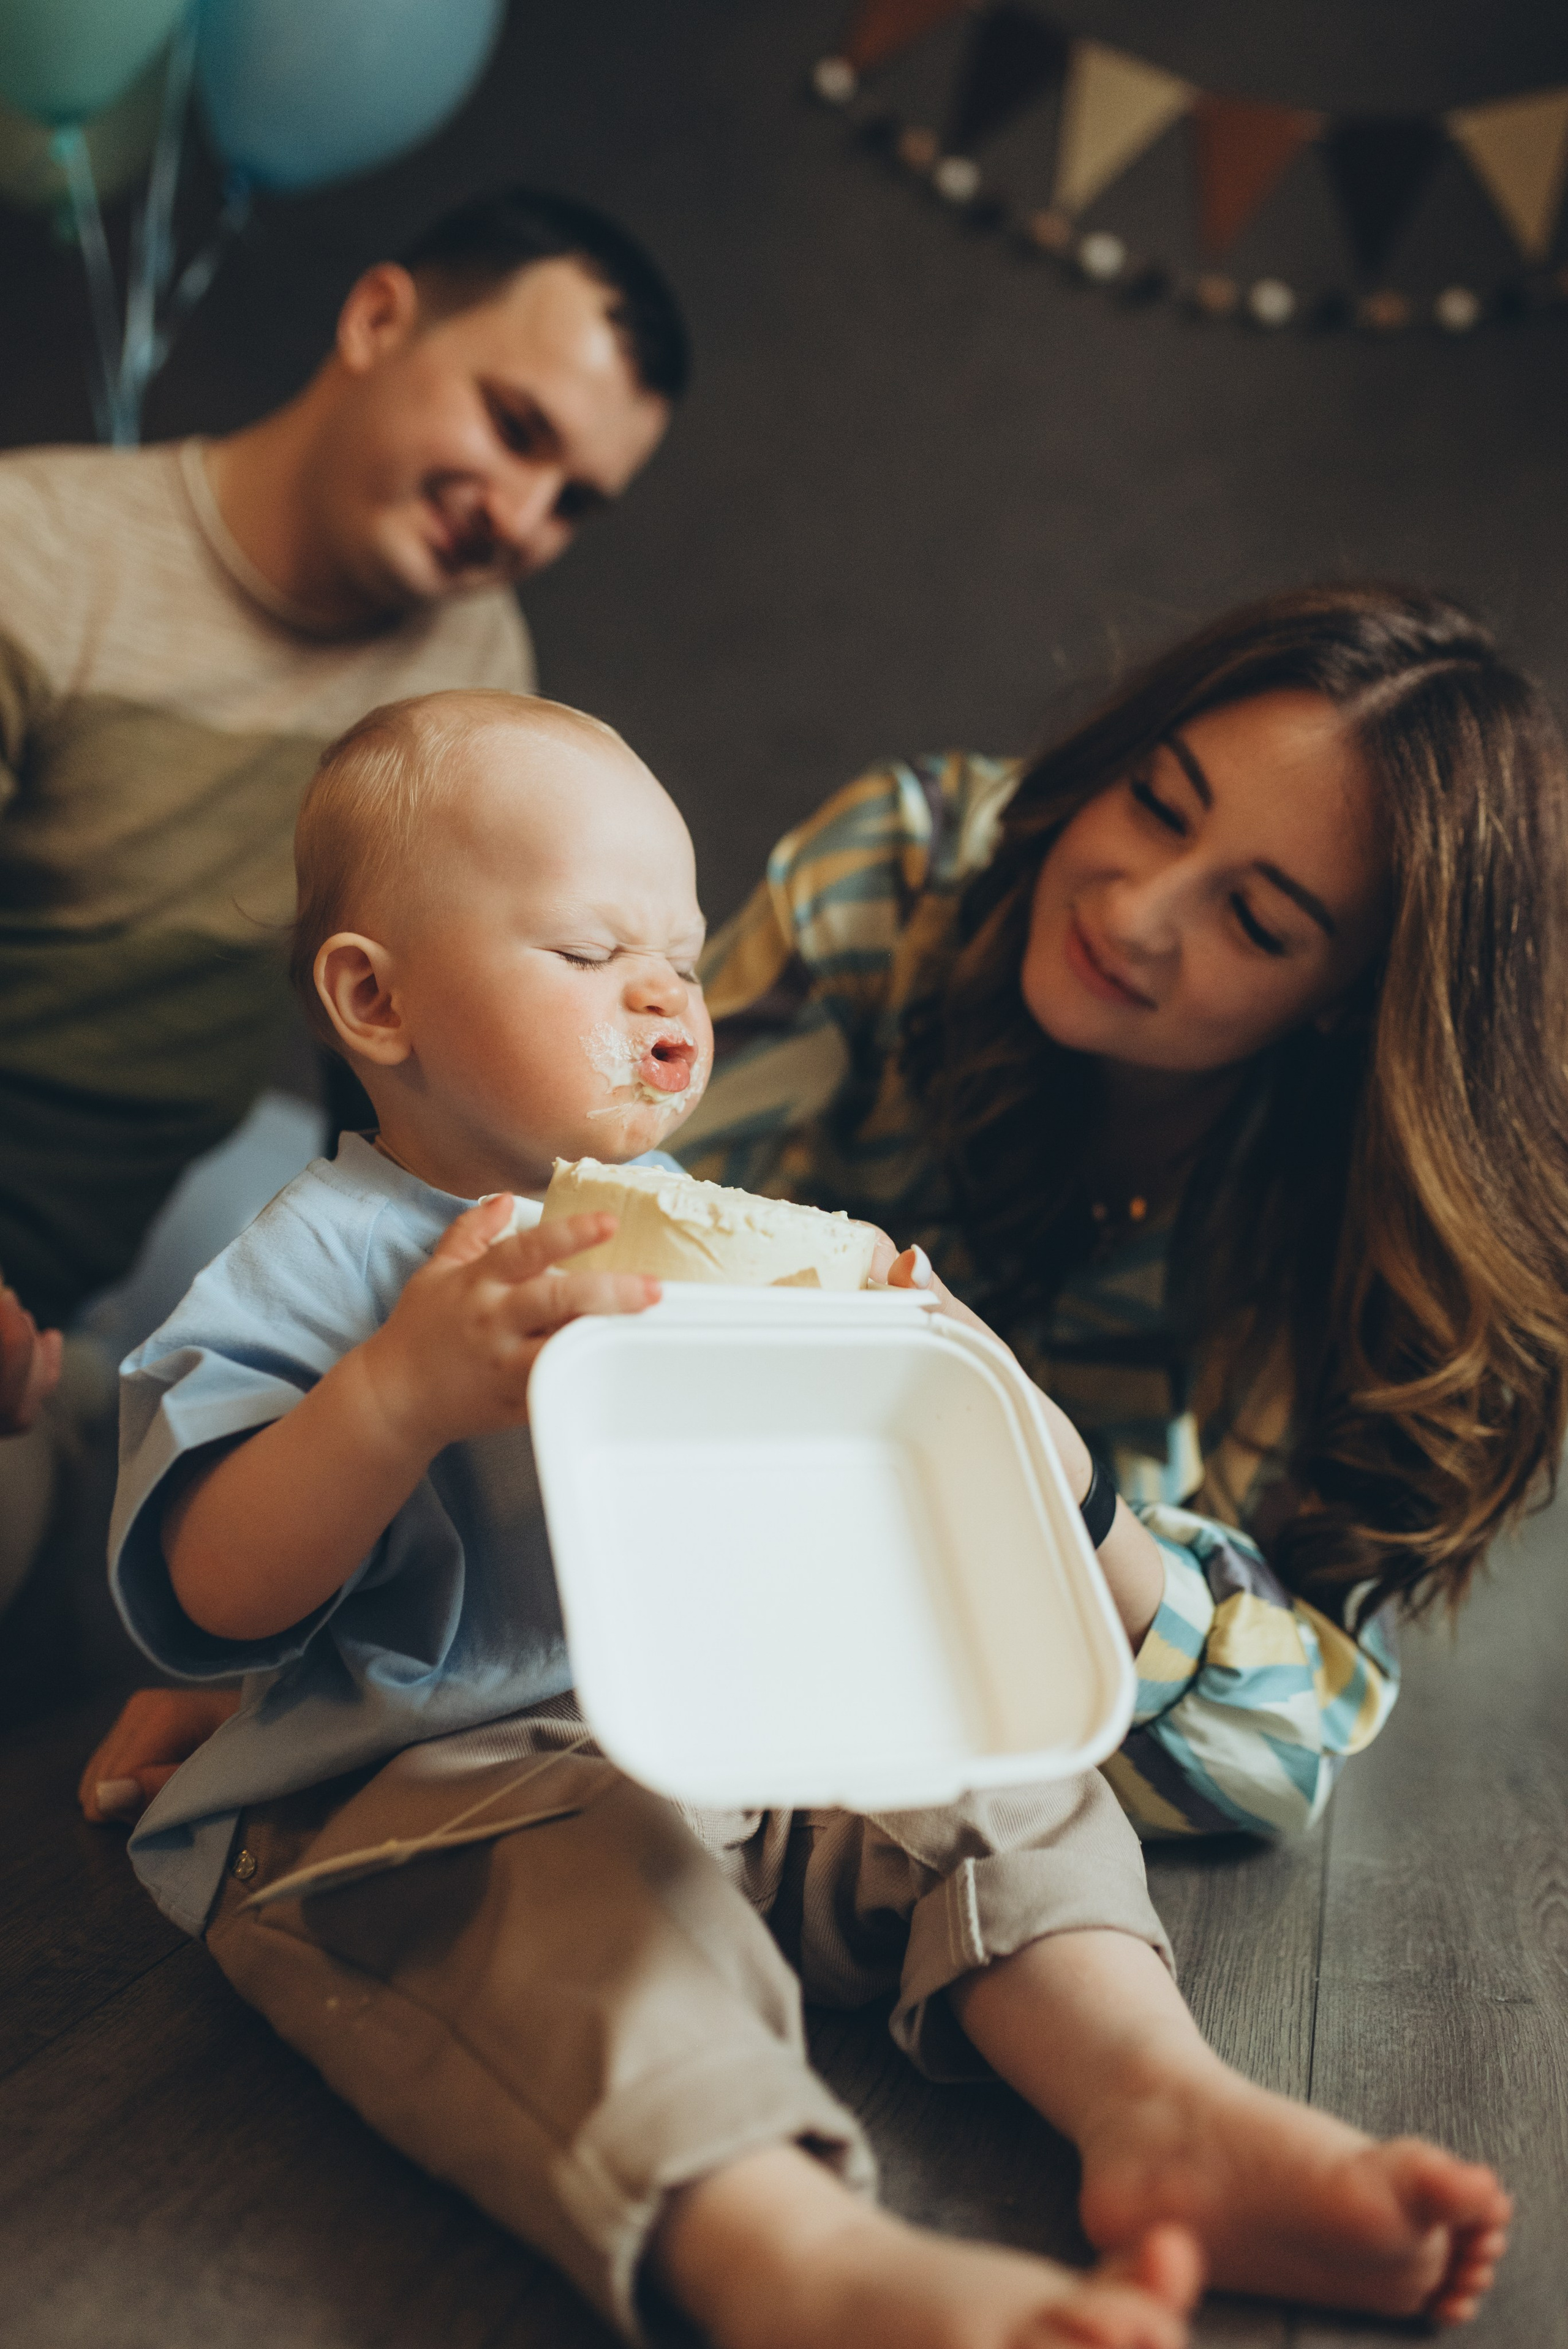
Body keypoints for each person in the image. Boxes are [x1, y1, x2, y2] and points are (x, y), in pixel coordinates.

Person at [99, 688, 1509, 2345]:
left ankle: (1158, 2099)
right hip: (425, 1798)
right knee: (587, 1931)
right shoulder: (326, 1254)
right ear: (375, 996)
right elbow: (199, 1587)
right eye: (585, 951)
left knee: (995, 1777)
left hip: (720, 1744)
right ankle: (789, 2253)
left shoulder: (708, 1230)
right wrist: (393, 1399)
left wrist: (910, 1370)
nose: (662, 995)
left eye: (683, 960)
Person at [671, 583, 1568, 1839]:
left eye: (1252, 920)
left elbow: (1273, 1755)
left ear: (1350, 1002)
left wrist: (1071, 1504)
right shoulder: (901, 870)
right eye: (1155, 803)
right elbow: (603, 1218)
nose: (1134, 910)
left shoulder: (1348, 1229)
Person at [0, 182, 688, 1601]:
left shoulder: (471, 646)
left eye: (575, 501)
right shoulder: (39, 558)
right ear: (378, 319)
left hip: (53, 1299)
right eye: (514, 429)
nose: (522, 516)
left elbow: (425, 1057)